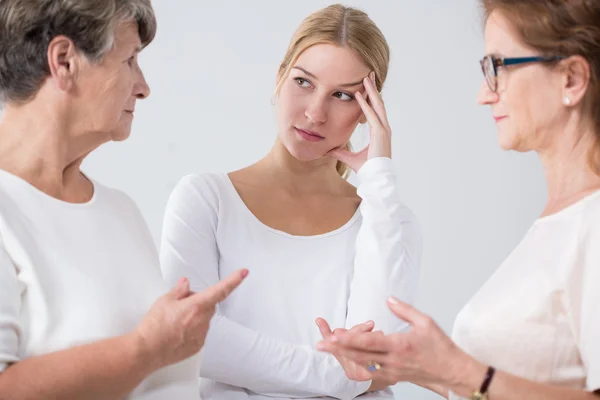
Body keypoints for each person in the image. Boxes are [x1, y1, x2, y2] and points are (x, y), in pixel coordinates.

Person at [316, 1, 600, 399]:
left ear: (571, 78)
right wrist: (412, 366)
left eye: (497, 67)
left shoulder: (593, 224)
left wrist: (463, 372)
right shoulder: (558, 224)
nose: (484, 94)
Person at [159, 3, 422, 400]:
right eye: (303, 82)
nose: (315, 113)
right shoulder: (205, 200)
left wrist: (378, 178)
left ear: (369, 109)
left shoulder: (388, 219)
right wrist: (336, 375)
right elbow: (190, 339)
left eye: (342, 95)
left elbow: (379, 356)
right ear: (280, 75)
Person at [0, 1, 246, 399]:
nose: (143, 86)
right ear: (64, 61)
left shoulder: (119, 210)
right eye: (130, 59)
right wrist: (147, 348)